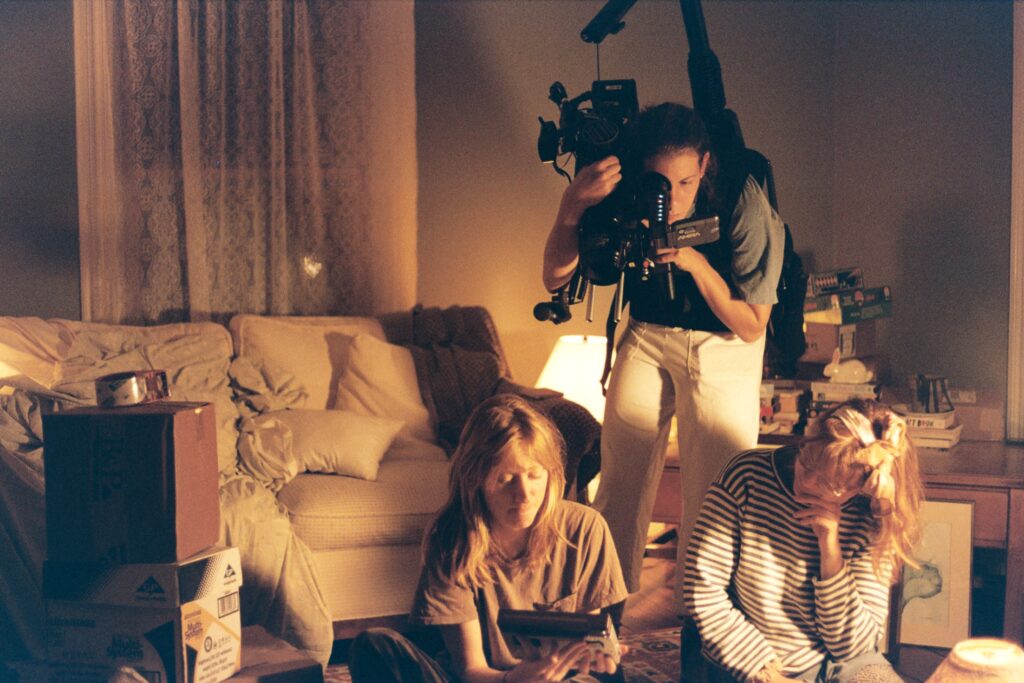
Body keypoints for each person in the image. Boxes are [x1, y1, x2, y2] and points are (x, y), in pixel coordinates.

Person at [541, 102, 786, 597]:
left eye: (686, 184)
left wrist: (694, 262)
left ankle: (701, 623)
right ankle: (603, 615)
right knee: (619, 483)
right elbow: (554, 278)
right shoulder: (620, 190)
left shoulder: (742, 196)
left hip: (724, 344)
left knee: (714, 495)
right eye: (660, 184)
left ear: (705, 165)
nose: (672, 200)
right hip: (650, 333)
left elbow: (753, 324)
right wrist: (572, 208)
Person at [349, 394, 629, 683]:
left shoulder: (585, 528)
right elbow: (471, 670)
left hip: (560, 680)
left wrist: (598, 656)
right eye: (505, 479)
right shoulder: (452, 541)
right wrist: (513, 680)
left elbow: (584, 648)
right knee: (374, 645)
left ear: (552, 475)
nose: (523, 495)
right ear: (475, 480)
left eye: (534, 475)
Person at [682, 399, 924, 683]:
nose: (807, 481)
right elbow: (703, 590)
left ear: (863, 486)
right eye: (807, 461)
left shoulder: (870, 515)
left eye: (829, 484)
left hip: (835, 664)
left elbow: (853, 647)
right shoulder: (745, 476)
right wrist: (766, 674)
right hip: (746, 658)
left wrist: (829, 549)